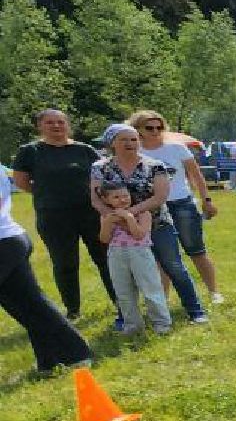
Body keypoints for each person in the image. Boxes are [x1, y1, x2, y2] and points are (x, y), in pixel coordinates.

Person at [92, 123, 208, 326]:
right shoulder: (99, 167)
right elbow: (96, 198)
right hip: (118, 230)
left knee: (173, 265)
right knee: (123, 275)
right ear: (112, 143)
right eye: (124, 139)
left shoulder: (154, 165)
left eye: (134, 139)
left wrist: (130, 213)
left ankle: (195, 310)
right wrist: (114, 217)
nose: (130, 143)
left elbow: (161, 196)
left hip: (157, 223)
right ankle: (126, 318)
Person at [10, 108, 114, 319]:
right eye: (50, 123)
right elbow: (21, 182)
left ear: (68, 125)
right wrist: (46, 193)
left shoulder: (84, 150)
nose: (56, 126)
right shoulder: (30, 151)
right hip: (54, 216)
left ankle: (121, 302)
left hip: (90, 213)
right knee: (65, 262)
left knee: (106, 258)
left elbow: (101, 178)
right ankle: (73, 310)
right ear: (40, 126)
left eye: (60, 122)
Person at [0, 161, 93, 373]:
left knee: (31, 304)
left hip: (4, 243)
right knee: (24, 306)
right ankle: (49, 361)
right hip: (8, 242)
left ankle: (77, 352)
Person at [133, 111, 224, 308]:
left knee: (196, 250)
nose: (155, 131)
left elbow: (197, 175)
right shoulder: (136, 152)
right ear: (138, 130)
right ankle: (162, 300)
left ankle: (214, 292)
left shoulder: (176, 148)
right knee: (161, 257)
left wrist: (207, 200)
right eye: (149, 128)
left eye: (159, 127)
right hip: (154, 208)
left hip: (182, 203)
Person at [97, 184, 170, 335]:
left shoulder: (143, 214)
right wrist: (109, 222)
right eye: (116, 197)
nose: (122, 200)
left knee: (150, 288)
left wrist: (129, 218)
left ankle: (161, 322)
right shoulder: (106, 216)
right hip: (116, 254)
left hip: (140, 253)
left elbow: (139, 235)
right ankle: (132, 324)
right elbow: (104, 239)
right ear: (106, 199)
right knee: (123, 291)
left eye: (125, 195)